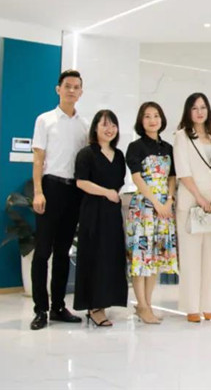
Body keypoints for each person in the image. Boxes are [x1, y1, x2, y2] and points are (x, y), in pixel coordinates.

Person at [29, 69, 88, 331]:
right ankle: (40, 310)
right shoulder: (45, 120)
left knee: (63, 252)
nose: (71, 90)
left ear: (81, 92)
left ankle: (58, 307)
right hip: (50, 188)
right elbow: (38, 159)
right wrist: (38, 191)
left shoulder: (84, 125)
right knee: (43, 252)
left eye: (76, 87)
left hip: (73, 192)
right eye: (67, 86)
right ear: (58, 89)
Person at [173, 93, 211, 323]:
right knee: (191, 256)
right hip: (191, 203)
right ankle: (192, 307)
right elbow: (183, 171)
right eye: (194, 108)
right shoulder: (182, 136)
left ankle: (208, 305)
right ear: (188, 111)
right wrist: (200, 198)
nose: (199, 112)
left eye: (203, 107)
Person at [73, 110, 128, 326]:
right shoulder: (86, 154)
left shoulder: (119, 155)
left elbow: (120, 182)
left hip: (112, 212)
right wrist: (106, 192)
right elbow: (81, 182)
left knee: (110, 257)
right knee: (94, 256)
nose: (109, 129)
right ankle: (94, 307)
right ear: (95, 128)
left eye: (113, 125)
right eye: (105, 124)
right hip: (93, 211)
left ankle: (106, 302)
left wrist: (114, 195)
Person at [125, 102, 179, 325]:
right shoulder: (135, 147)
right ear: (141, 120)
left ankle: (147, 304)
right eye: (147, 116)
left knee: (155, 258)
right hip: (144, 208)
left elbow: (172, 177)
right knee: (141, 258)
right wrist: (156, 202)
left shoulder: (168, 148)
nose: (152, 120)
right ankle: (142, 305)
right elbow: (137, 178)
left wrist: (169, 200)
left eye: (156, 115)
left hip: (164, 209)